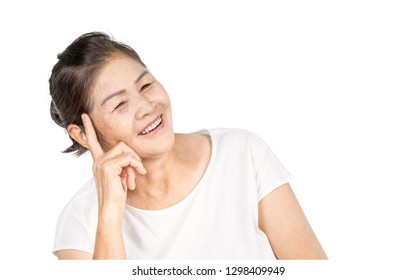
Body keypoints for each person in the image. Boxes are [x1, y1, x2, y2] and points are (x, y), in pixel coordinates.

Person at [50, 32, 327, 260]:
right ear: (82, 134)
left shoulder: (242, 154)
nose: (147, 107)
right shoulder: (80, 220)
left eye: (146, 86)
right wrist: (109, 214)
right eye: (120, 104)